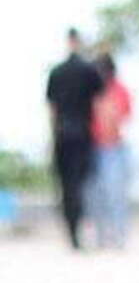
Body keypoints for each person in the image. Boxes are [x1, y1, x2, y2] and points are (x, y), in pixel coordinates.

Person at [46, 28, 103, 251]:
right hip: (83, 133)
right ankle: (81, 229)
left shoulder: (56, 72)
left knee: (67, 186)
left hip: (62, 134)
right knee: (81, 184)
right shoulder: (89, 70)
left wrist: (51, 138)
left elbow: (51, 109)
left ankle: (73, 232)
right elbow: (99, 102)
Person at [88, 52, 133, 251]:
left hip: (114, 148)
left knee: (116, 194)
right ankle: (101, 236)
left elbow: (124, 116)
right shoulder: (91, 91)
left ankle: (120, 235)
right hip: (94, 147)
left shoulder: (120, 90)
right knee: (95, 195)